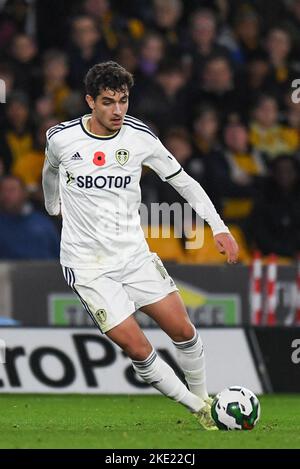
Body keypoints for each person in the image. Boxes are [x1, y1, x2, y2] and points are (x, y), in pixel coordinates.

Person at [42, 61, 238, 430]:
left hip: (133, 255)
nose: (117, 110)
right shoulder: (61, 137)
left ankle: (205, 399)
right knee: (138, 348)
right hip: (87, 265)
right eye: (107, 102)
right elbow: (50, 170)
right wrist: (53, 204)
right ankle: (200, 410)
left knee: (184, 332)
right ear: (90, 101)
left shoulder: (139, 137)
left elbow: (185, 183)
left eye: (123, 100)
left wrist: (219, 227)